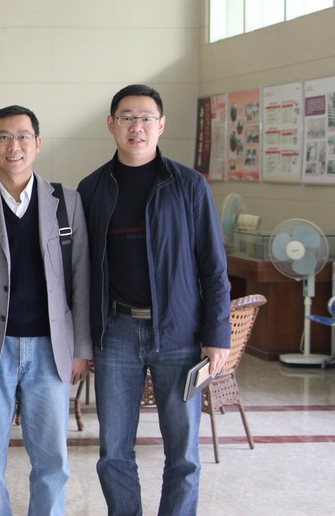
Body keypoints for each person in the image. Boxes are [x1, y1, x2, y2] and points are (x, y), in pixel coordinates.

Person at [77, 84, 231, 516]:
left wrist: (217, 335)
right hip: (116, 333)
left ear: (161, 125)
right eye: (127, 117)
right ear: (111, 124)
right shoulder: (92, 189)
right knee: (113, 450)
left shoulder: (189, 185)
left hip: (180, 334)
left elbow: (213, 267)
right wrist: (83, 340)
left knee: (183, 453)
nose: (137, 127)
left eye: (146, 118)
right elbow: (81, 272)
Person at [0, 105, 91, 516]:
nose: (14, 145)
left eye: (23, 136)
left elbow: (81, 277)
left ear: (38, 143)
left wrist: (81, 348)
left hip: (50, 348)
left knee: (52, 461)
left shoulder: (66, 202)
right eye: (4, 137)